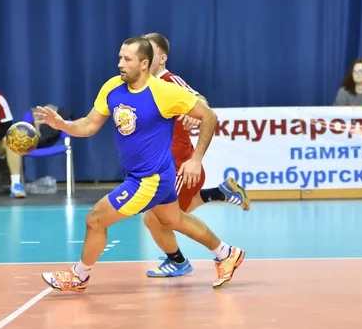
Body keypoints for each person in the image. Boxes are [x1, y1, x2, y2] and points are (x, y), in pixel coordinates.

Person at [34, 37, 245, 292]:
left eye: (127, 59)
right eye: (120, 57)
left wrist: (196, 159)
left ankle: (79, 275)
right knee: (175, 219)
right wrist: (64, 126)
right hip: (151, 173)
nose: (120, 64)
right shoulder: (112, 87)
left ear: (144, 64)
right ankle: (226, 253)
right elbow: (90, 124)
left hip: (150, 179)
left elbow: (209, 116)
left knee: (96, 220)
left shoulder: (164, 92)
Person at [141, 33, 250, 278]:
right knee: (179, 209)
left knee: (156, 218)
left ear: (162, 57)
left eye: (151, 50)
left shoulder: (170, 80)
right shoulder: (145, 84)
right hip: (160, 164)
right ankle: (221, 193)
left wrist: (197, 109)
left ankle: (201, 257)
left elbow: (200, 99)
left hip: (177, 163)